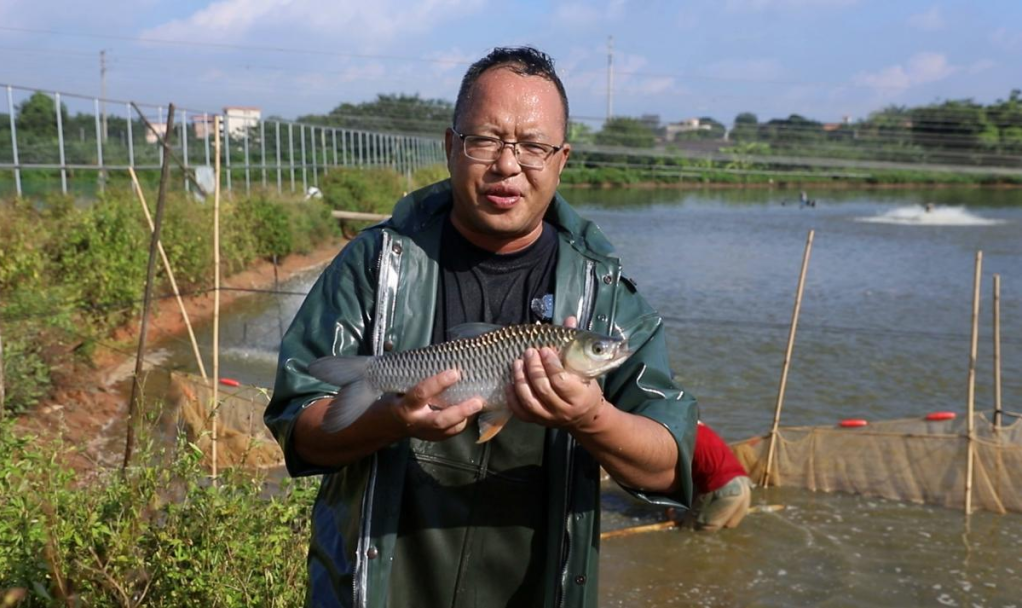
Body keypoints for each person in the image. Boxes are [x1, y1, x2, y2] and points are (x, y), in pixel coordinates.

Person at [265, 46, 697, 608]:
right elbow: (299, 431)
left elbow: (668, 467)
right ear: (450, 147)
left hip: (534, 587)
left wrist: (590, 416)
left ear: (561, 159)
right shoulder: (376, 264)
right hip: (378, 586)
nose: (507, 165)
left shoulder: (604, 294)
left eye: (534, 146)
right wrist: (393, 418)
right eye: (485, 140)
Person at [680, 422, 752, 532]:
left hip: (723, 488)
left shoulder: (678, 437)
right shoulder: (704, 429)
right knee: (726, 532)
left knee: (690, 531)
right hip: (744, 486)